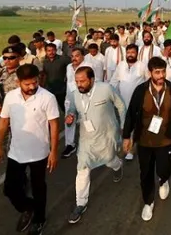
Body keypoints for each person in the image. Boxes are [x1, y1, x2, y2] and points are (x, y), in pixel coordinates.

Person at [0, 64, 59, 235]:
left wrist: (53, 152)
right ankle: (29, 207)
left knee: (39, 188)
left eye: (34, 83)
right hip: (16, 152)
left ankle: (39, 219)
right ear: (18, 82)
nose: (32, 87)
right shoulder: (10, 97)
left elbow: (53, 124)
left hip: (40, 153)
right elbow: (3, 122)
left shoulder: (47, 97)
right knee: (10, 189)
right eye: (27, 84)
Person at [122, 57, 171, 221]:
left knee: (164, 168)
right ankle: (148, 202)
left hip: (165, 139)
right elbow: (130, 114)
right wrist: (126, 137)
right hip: (144, 141)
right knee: (146, 173)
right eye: (157, 72)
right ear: (150, 73)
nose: (161, 75)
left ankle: (164, 180)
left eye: (163, 71)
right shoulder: (140, 90)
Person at [66, 67, 126, 224]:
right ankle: (80, 203)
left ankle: (118, 166)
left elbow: (120, 105)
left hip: (107, 135)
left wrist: (124, 126)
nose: (79, 84)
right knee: (82, 168)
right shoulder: (74, 94)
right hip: (86, 139)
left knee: (109, 160)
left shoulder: (105, 88)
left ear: (92, 79)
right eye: (77, 81)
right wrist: (70, 116)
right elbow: (72, 109)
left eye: (82, 81)